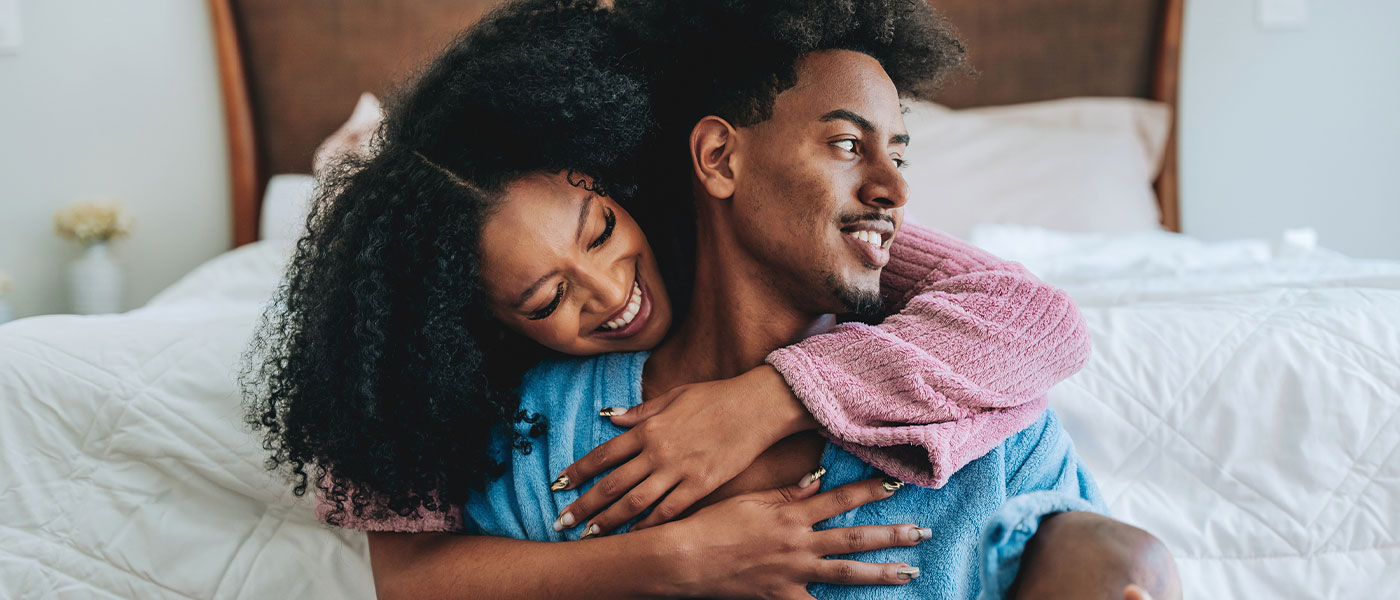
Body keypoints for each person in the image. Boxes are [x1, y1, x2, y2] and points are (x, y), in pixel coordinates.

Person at [240, 0, 1114, 597]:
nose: (614, 290)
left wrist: (761, 400)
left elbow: (1030, 317)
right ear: (478, 326)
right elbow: (413, 578)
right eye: (548, 298)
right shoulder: (475, 404)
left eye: (600, 231)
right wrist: (679, 556)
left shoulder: (729, 209)